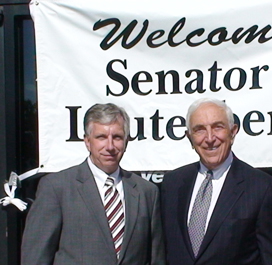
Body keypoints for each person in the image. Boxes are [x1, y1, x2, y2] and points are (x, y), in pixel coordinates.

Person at [21, 103, 165, 265]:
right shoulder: (56, 187)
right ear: (87, 141)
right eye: (101, 137)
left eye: (117, 137)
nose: (110, 146)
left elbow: (156, 259)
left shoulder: (146, 192)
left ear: (126, 141)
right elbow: (35, 257)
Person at [161, 98, 272, 265]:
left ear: (233, 132)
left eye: (217, 127)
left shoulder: (262, 188)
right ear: (189, 137)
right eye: (199, 130)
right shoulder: (172, 184)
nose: (210, 138)